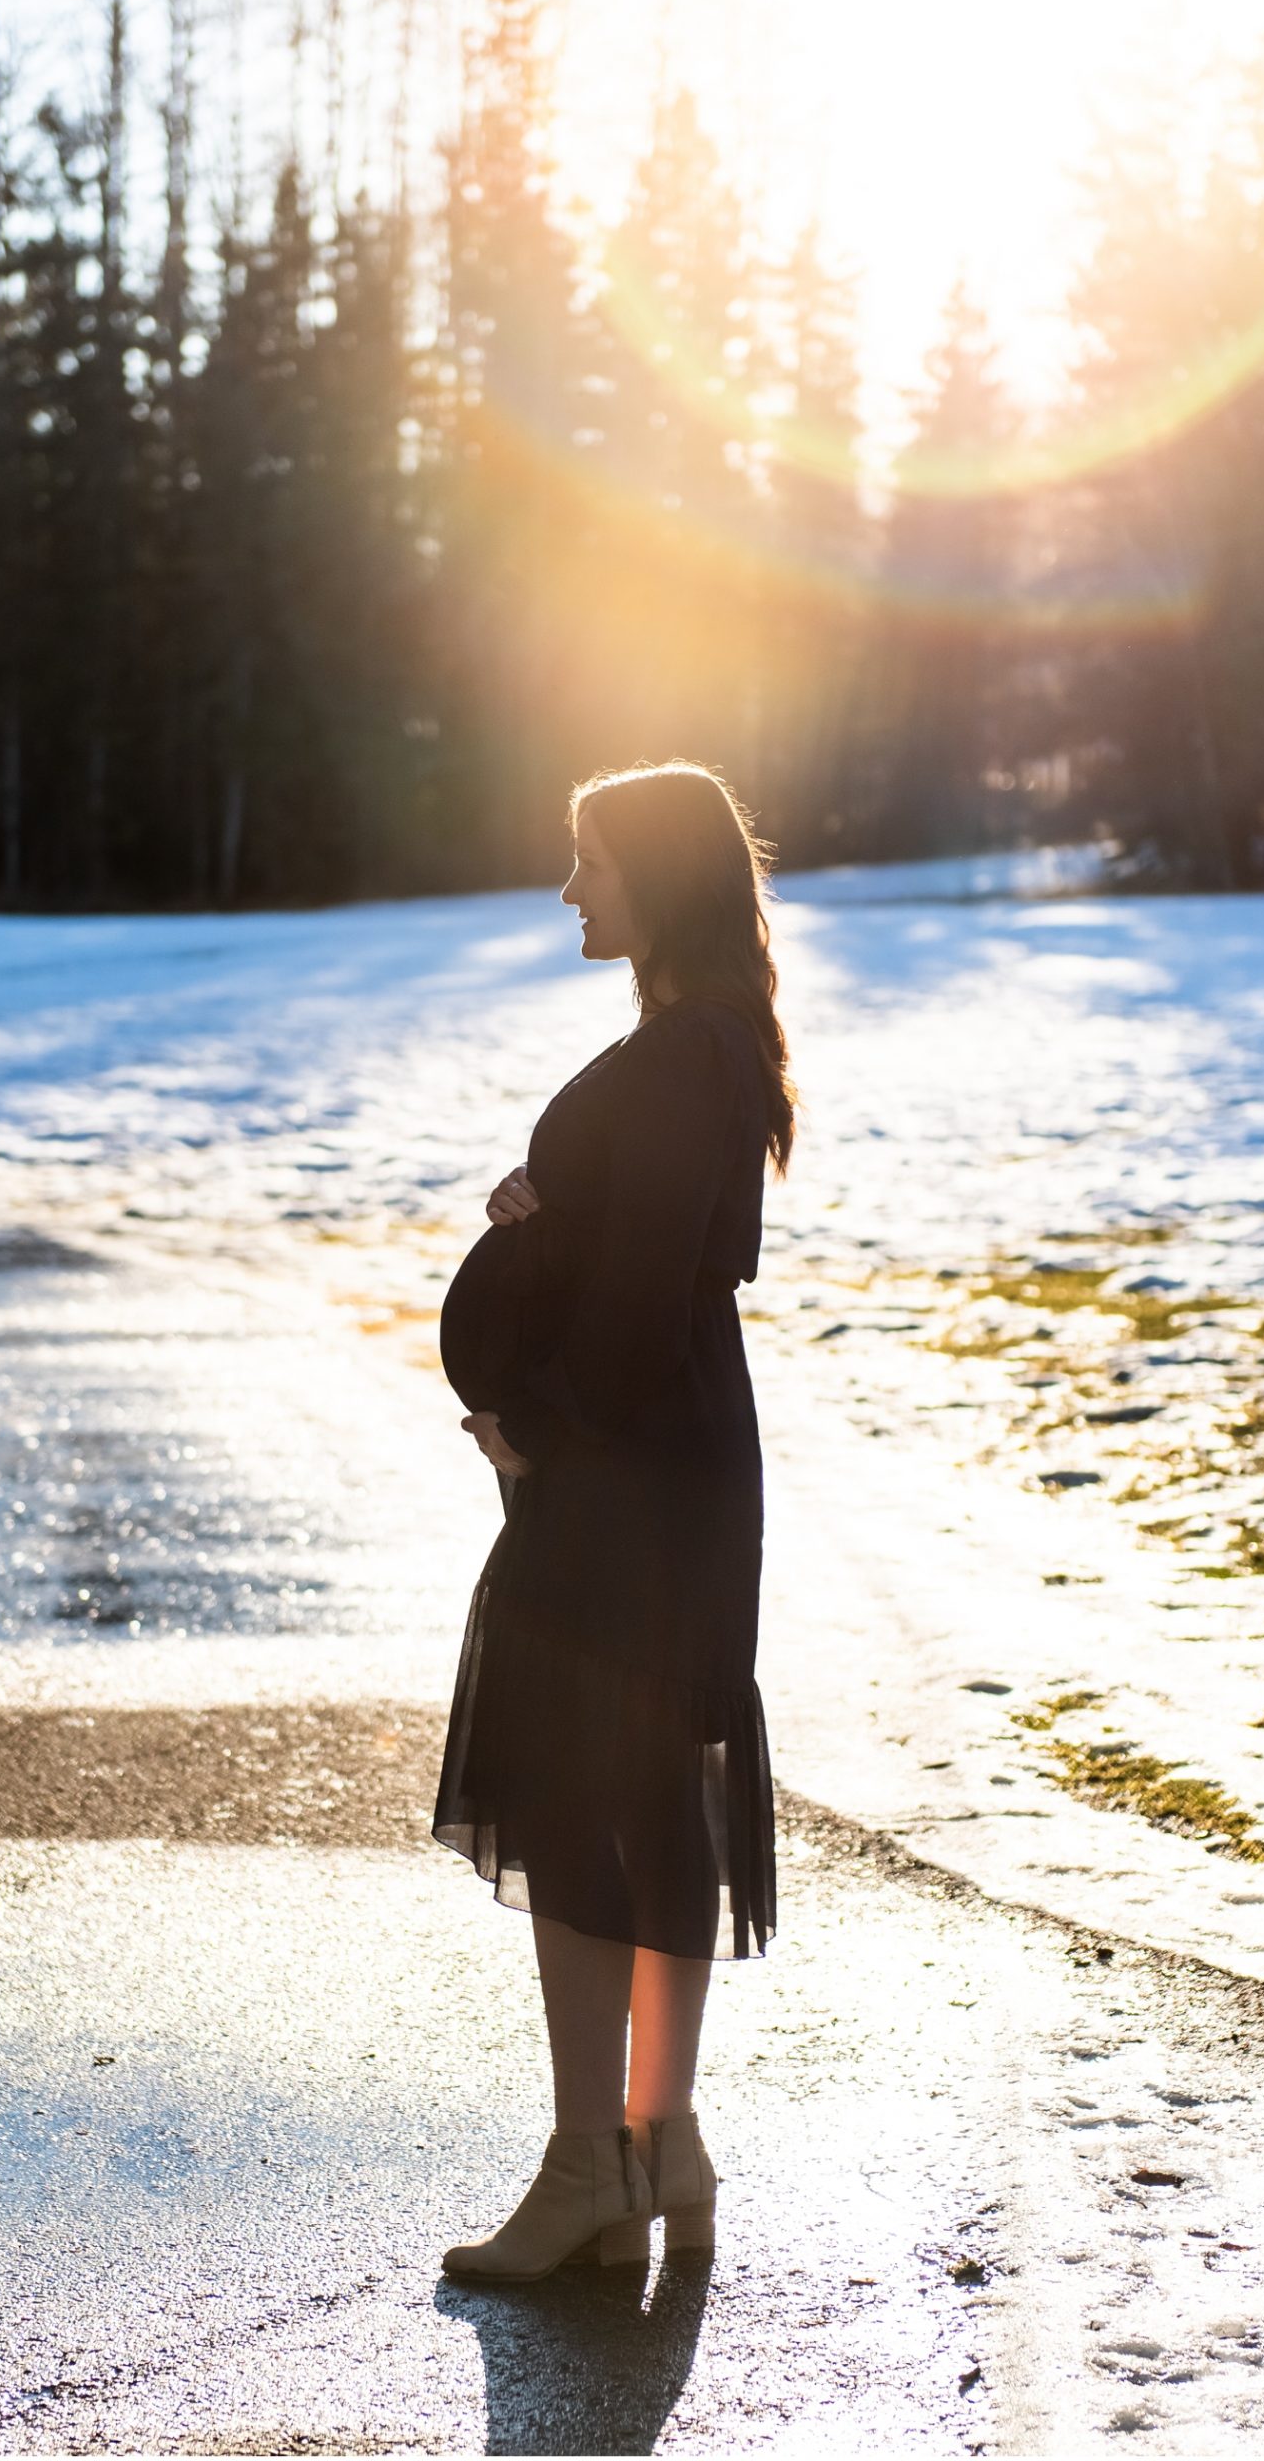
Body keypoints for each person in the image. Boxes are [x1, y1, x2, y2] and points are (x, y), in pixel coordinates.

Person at [434, 759, 795, 2283]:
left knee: (585, 1795)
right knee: (648, 1798)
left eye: (590, 859)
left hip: (627, 1486)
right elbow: (641, 1261)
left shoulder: (681, 1059)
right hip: (669, 1476)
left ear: (658, 872)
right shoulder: (698, 1049)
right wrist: (544, 1220)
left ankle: (596, 2160)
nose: (571, 888)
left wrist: (537, 1432)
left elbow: (645, 1300)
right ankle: (661, 2136)